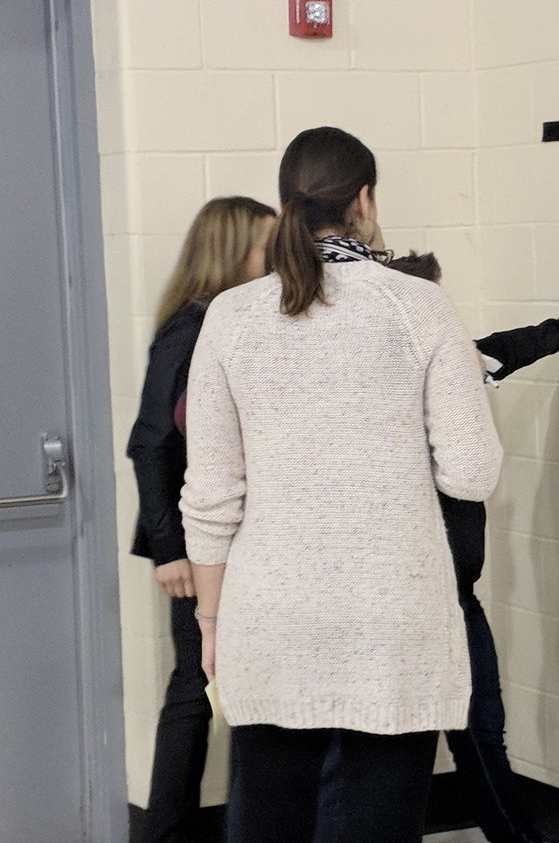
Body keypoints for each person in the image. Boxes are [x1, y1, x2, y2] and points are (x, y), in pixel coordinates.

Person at [180, 126, 503, 843]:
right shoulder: (419, 306)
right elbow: (472, 471)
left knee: (268, 824)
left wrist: (210, 621)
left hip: (269, 614)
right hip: (394, 615)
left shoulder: (230, 316)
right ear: (364, 200)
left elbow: (209, 492)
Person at [389, 252, 559, 843]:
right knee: (397, 751)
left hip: (456, 597)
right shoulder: (373, 396)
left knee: (483, 735)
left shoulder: (455, 364)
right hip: (401, 600)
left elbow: (508, 346)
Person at [127, 196, 276, 842]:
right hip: (197, 545)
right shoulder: (191, 328)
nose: (275, 258)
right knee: (197, 693)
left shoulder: (227, 321)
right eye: (266, 245)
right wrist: (170, 550)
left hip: (223, 541)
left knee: (219, 692)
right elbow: (151, 439)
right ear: (233, 250)